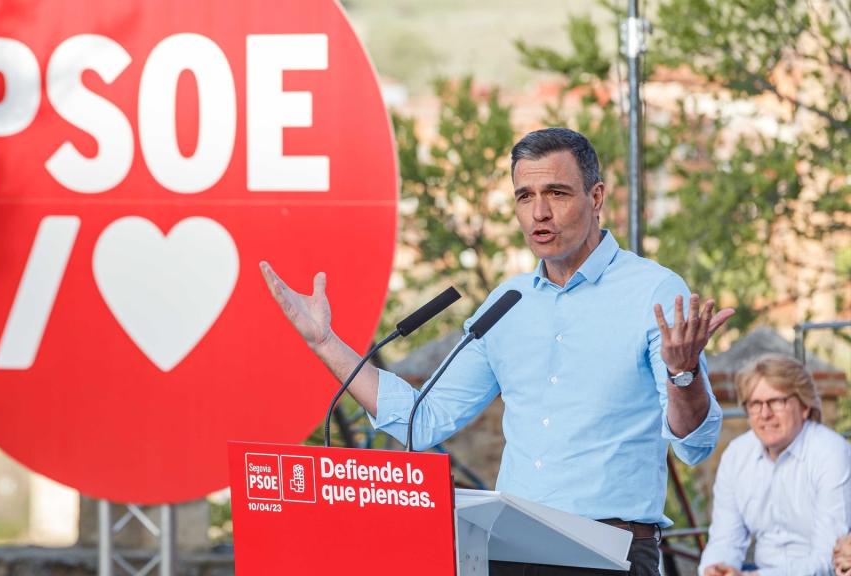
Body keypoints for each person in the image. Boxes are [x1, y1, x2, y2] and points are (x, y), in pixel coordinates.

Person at [261, 127, 734, 575]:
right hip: (510, 550)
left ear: (596, 198)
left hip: (607, 552)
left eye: (557, 193)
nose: (539, 213)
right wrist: (326, 343)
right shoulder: (508, 303)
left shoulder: (653, 291)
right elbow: (420, 420)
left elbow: (695, 445)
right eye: (525, 197)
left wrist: (684, 374)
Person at [698, 354, 851, 576]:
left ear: (804, 406)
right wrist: (714, 568)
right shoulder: (736, 454)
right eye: (755, 404)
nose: (765, 414)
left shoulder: (831, 453)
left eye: (777, 401)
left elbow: (829, 557)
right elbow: (724, 539)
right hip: (759, 570)